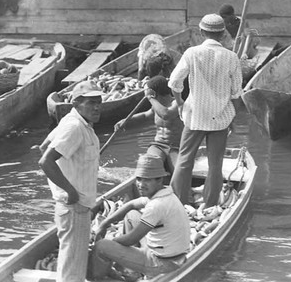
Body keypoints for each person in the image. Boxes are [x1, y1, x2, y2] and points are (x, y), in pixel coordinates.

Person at [168, 13, 242, 207]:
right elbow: (236, 94)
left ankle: (178, 203)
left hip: (195, 116)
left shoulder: (192, 53)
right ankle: (210, 205)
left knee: (184, 160)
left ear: (201, 32)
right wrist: (233, 118)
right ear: (223, 34)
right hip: (220, 118)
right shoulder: (231, 57)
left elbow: (175, 82)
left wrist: (180, 102)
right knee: (215, 165)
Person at [38, 80, 103, 282]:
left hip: (78, 206)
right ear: (76, 103)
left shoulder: (73, 122)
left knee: (72, 261)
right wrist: (69, 190)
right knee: (72, 269)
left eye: (99, 101)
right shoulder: (74, 127)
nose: (97, 106)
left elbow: (44, 146)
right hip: (75, 206)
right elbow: (45, 160)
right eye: (90, 102)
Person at [93, 153, 190, 279]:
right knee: (132, 215)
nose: (141, 184)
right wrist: (105, 223)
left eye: (147, 180)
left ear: (159, 180)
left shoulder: (156, 205)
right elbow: (132, 204)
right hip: (170, 254)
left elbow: (130, 240)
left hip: (162, 263)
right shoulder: (166, 194)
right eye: (139, 179)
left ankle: (95, 278)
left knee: (101, 246)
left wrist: (112, 243)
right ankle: (131, 269)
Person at [114, 75, 183, 175]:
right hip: (158, 145)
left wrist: (150, 98)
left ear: (154, 93)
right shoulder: (156, 106)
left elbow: (166, 114)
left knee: (179, 174)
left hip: (175, 147)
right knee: (149, 164)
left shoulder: (176, 103)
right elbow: (145, 116)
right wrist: (126, 121)